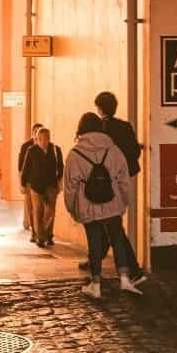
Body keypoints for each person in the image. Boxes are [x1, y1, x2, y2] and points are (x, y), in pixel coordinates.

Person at [64, 112, 148, 299]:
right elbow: (124, 180)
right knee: (117, 238)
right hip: (113, 202)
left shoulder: (75, 153)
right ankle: (125, 279)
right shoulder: (114, 150)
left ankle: (96, 284)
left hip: (87, 204)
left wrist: (72, 208)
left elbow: (70, 186)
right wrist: (124, 201)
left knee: (94, 242)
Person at [20, 126, 63, 247]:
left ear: (49, 139)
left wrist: (59, 181)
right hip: (36, 185)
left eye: (45, 139)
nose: (43, 142)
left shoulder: (55, 150)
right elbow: (26, 168)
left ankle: (45, 233)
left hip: (51, 185)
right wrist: (23, 184)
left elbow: (61, 166)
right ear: (36, 139)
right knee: (38, 210)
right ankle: (41, 238)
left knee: (50, 211)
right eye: (40, 139)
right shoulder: (32, 150)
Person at [94, 91, 143, 182]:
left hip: (103, 176)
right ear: (115, 108)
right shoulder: (125, 126)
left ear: (99, 109)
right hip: (123, 174)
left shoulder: (96, 127)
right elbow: (135, 151)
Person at [16, 123, 45, 237]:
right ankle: (34, 231)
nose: (37, 134)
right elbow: (20, 166)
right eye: (36, 132)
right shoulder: (26, 146)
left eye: (40, 132)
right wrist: (21, 183)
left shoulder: (46, 146)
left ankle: (41, 231)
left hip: (42, 182)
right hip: (28, 182)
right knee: (31, 208)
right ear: (33, 133)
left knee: (40, 208)